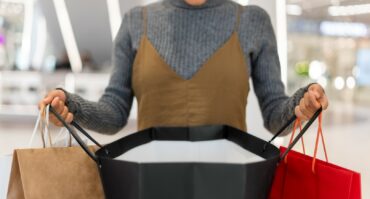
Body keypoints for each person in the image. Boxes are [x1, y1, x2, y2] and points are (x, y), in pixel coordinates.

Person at [39, 0, 328, 135]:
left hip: (230, 179)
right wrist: (71, 105)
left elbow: (274, 113)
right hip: (151, 180)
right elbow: (115, 111)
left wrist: (299, 104)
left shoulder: (252, 21)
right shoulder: (136, 22)